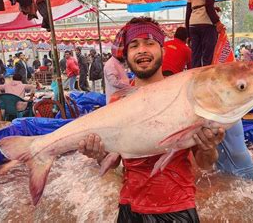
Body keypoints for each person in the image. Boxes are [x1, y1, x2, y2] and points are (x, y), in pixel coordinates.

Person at [78, 17, 224, 222]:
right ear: (127, 56)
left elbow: (205, 164)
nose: (142, 50)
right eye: (134, 45)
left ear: (163, 50)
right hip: (130, 207)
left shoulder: (182, 94)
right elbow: (113, 161)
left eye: (149, 43)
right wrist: (97, 154)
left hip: (177, 207)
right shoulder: (119, 101)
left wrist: (208, 147)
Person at [186, 0, 225, 68]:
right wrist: (217, 22)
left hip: (193, 24)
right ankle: (206, 83)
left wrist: (188, 33)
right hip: (206, 23)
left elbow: (189, 10)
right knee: (208, 60)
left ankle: (196, 82)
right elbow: (208, 4)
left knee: (195, 58)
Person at [103, 37, 131, 103]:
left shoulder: (118, 62)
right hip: (115, 100)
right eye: (123, 55)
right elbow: (114, 82)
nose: (124, 56)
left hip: (121, 98)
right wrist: (128, 84)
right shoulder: (110, 65)